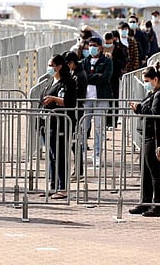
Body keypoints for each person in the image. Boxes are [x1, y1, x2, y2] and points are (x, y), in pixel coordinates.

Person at [128, 65, 160, 217]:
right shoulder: (153, 93)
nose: (146, 83)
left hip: (156, 138)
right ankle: (146, 202)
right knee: (146, 172)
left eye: (147, 80)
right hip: (147, 136)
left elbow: (155, 113)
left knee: (155, 172)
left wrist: (139, 108)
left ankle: (157, 205)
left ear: (156, 79)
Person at [39, 54, 77, 199]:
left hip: (60, 124)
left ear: (59, 66)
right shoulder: (49, 81)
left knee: (59, 155)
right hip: (47, 124)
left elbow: (69, 101)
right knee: (51, 156)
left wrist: (54, 99)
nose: (49, 68)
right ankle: (53, 185)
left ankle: (63, 187)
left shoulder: (68, 82)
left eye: (51, 65)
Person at [82, 36, 114, 167]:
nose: (91, 48)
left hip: (101, 98)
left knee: (99, 128)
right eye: (90, 45)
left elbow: (106, 78)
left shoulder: (107, 61)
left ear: (100, 47)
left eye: (94, 45)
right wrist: (95, 76)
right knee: (84, 127)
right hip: (86, 99)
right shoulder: (84, 61)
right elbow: (82, 78)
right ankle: (82, 153)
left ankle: (97, 156)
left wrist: (91, 77)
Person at [64, 52, 87, 179]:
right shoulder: (74, 74)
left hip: (76, 112)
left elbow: (77, 95)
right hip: (73, 111)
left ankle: (79, 170)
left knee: (75, 141)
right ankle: (77, 170)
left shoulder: (79, 76)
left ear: (72, 63)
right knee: (73, 142)